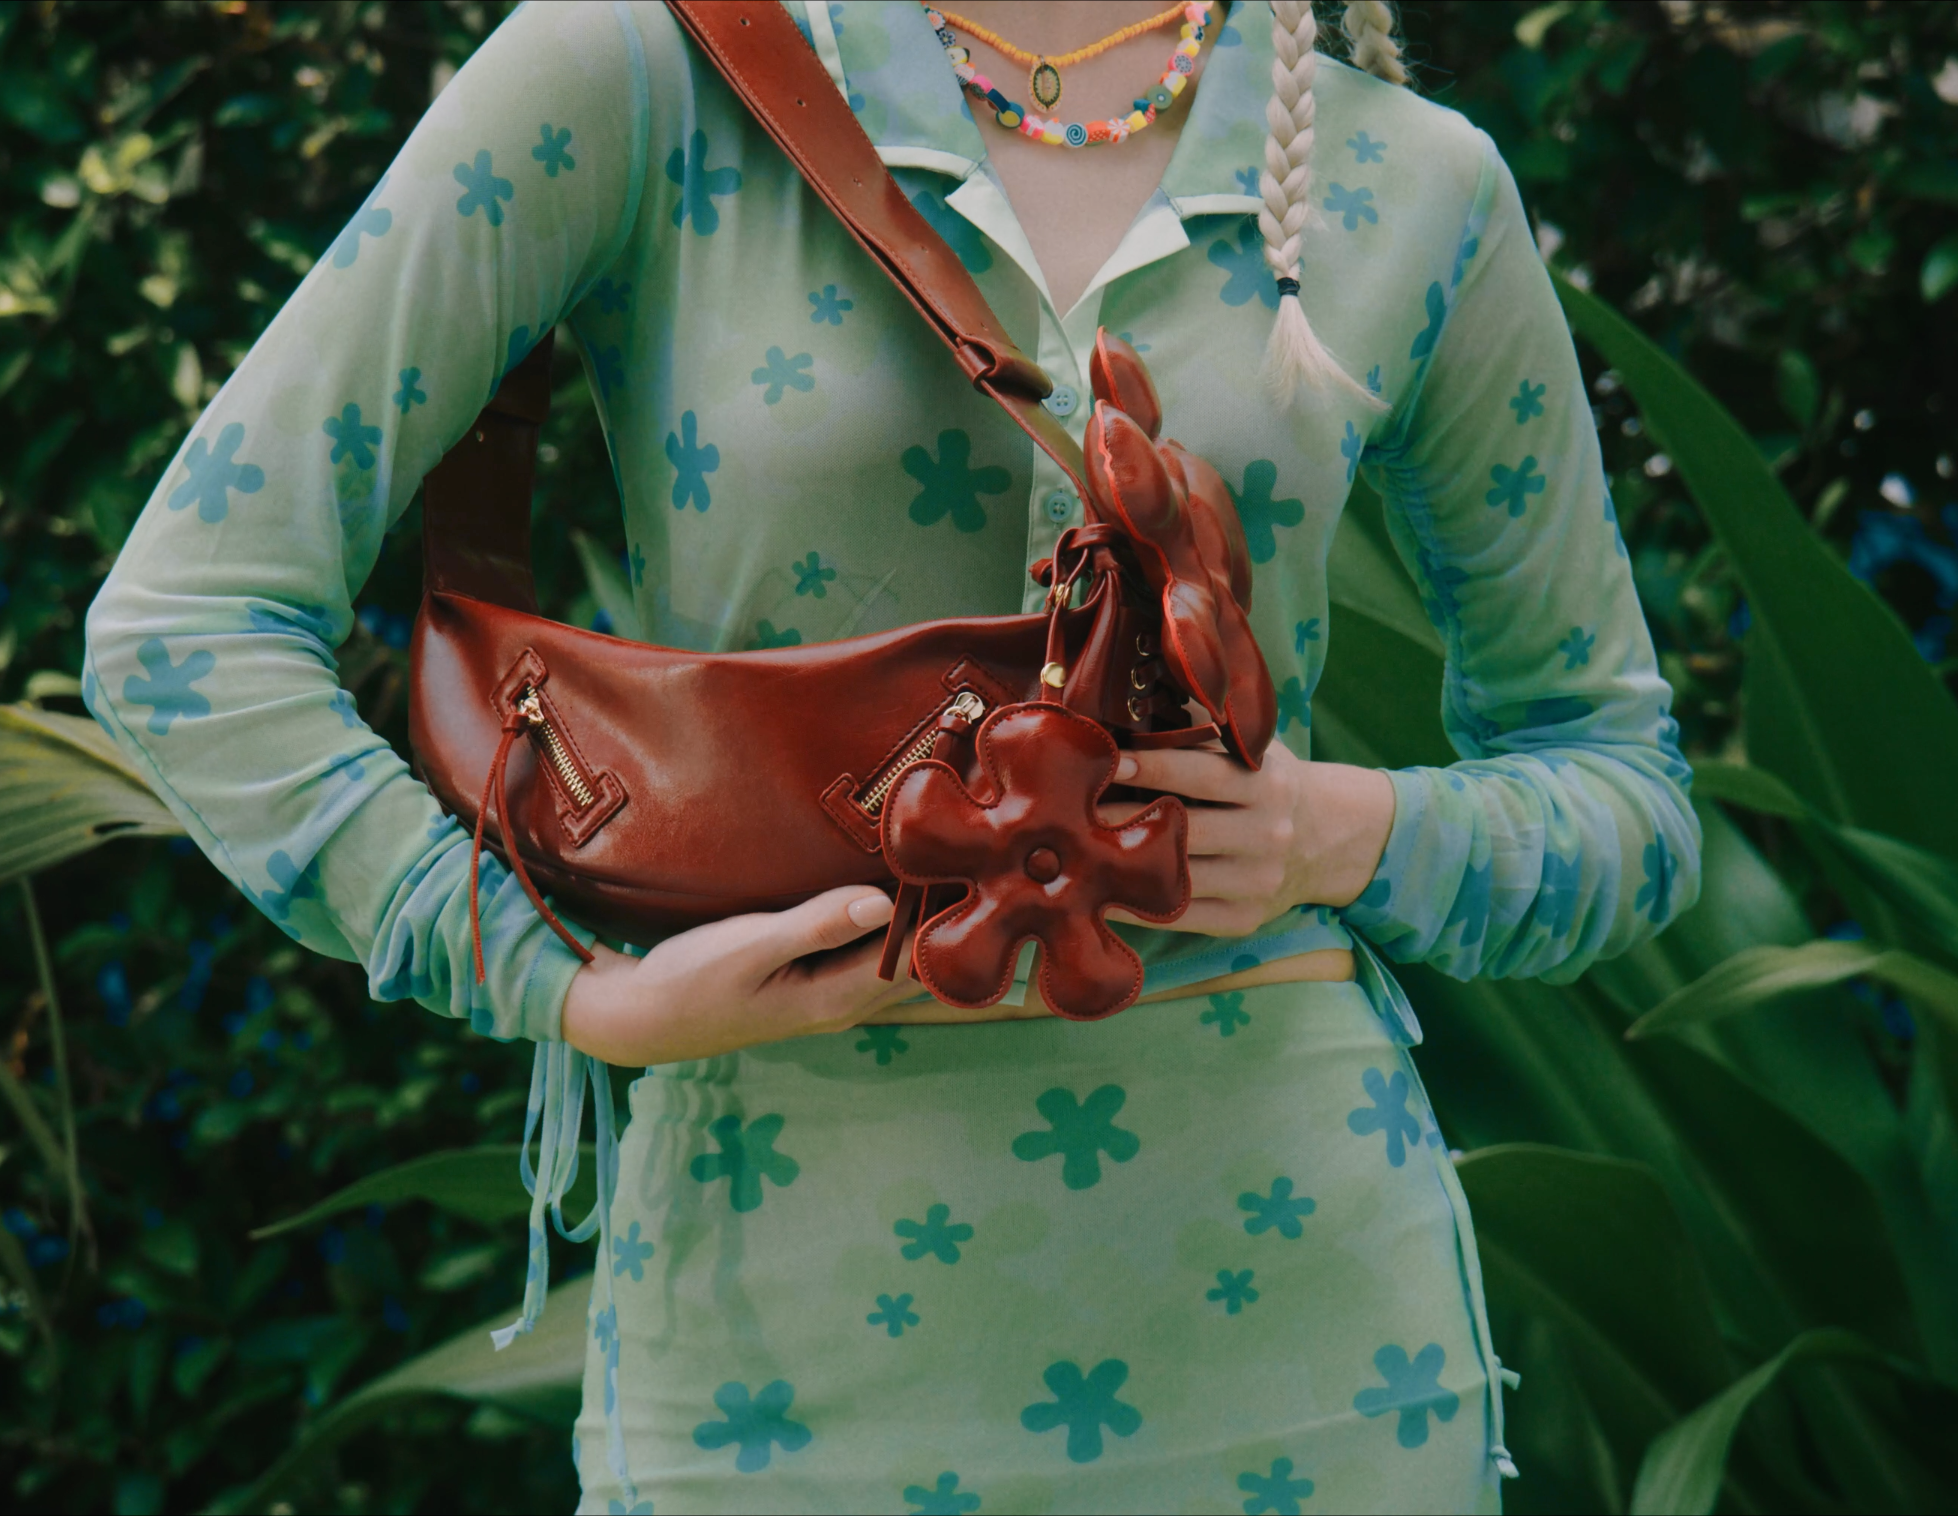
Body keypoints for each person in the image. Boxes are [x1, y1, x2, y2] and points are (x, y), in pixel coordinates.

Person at [83, 2, 1700, 1510]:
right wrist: (563, 986)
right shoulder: (647, 70)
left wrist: (1336, 835)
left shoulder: (1408, 181)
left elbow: (1619, 791)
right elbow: (185, 629)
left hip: (1309, 1359)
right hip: (770, 1353)